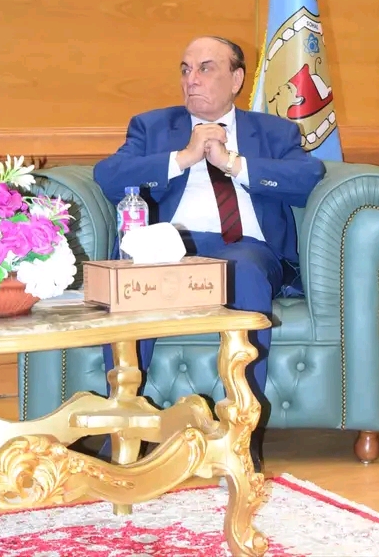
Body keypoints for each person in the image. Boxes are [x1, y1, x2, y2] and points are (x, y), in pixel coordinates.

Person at [94, 36, 326, 470]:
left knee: (243, 271)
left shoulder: (273, 132)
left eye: (205, 68)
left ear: (236, 79)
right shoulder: (152, 126)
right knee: (134, 273)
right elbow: (108, 176)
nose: (191, 79)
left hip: (246, 248)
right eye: (185, 69)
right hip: (169, 245)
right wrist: (181, 158)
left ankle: (240, 436)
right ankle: (122, 434)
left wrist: (233, 164)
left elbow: (307, 177)